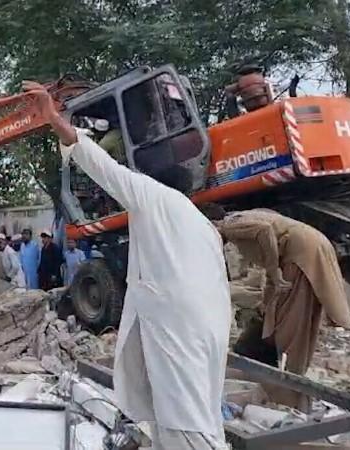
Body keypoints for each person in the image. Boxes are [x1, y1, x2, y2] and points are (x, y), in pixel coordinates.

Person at [23, 80, 231, 449]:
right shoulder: (200, 223)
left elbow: (103, 167)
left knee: (183, 417)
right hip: (208, 325)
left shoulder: (154, 197)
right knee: (199, 408)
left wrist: (54, 117)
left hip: (176, 325)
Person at [212, 208, 350, 410]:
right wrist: (267, 300)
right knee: (283, 317)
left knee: (292, 324)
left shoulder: (231, 226)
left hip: (302, 254)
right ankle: (282, 380)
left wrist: (272, 271)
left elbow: (265, 233)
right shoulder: (241, 220)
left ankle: (289, 389)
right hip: (304, 250)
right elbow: (272, 266)